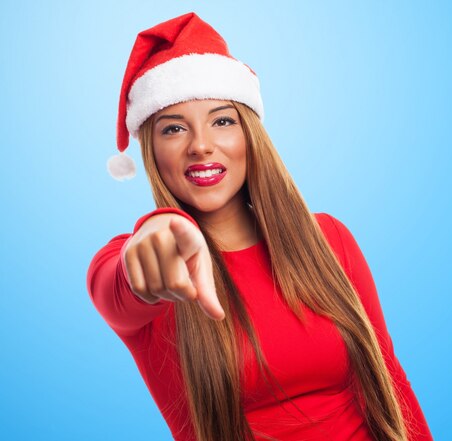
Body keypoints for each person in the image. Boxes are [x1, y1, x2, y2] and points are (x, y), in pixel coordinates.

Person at [87, 12, 433, 441]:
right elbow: (119, 285)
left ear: (250, 135)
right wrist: (157, 234)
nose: (200, 145)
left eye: (223, 120)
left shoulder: (330, 240)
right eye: (173, 128)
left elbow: (391, 383)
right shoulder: (152, 264)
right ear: (151, 151)